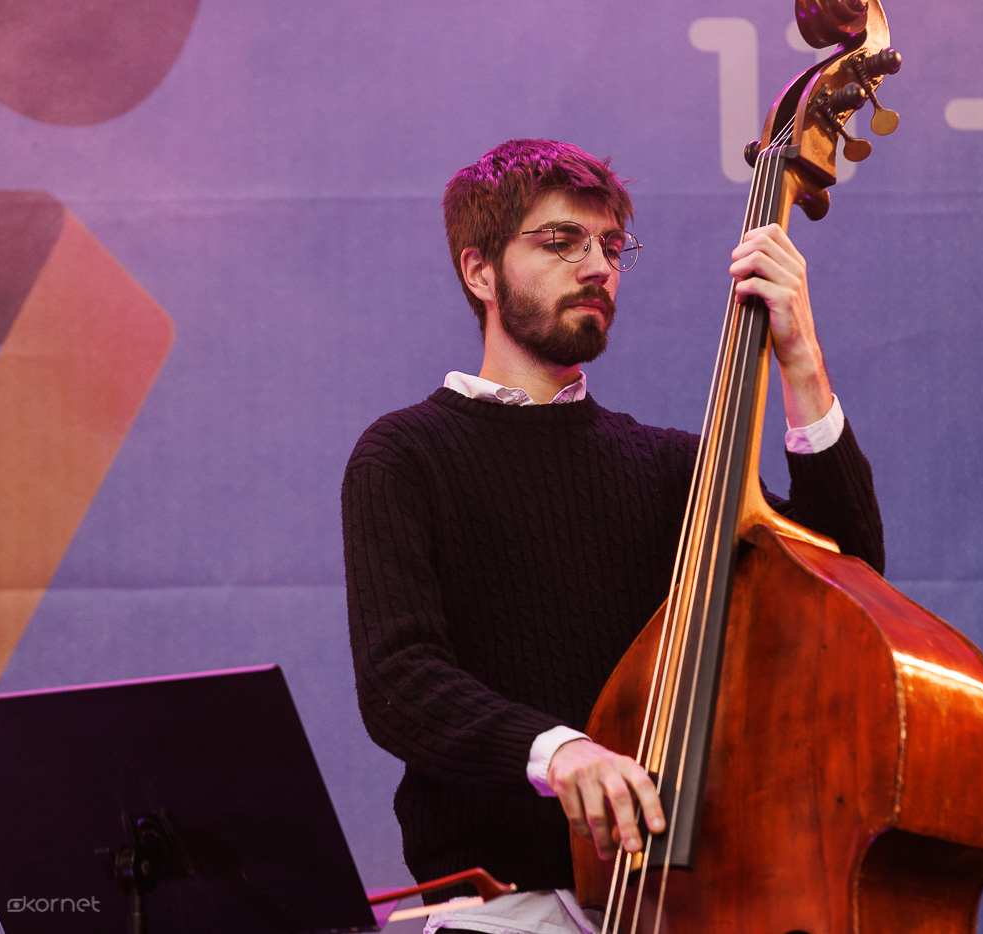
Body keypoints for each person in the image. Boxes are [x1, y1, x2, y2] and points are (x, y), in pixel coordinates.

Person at [341, 139, 884, 927]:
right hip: (504, 911)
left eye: (610, 245)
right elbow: (401, 681)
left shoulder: (673, 467)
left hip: (687, 903)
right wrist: (561, 752)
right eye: (561, 243)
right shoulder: (405, 455)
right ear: (480, 272)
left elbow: (848, 588)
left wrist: (801, 358)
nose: (597, 267)